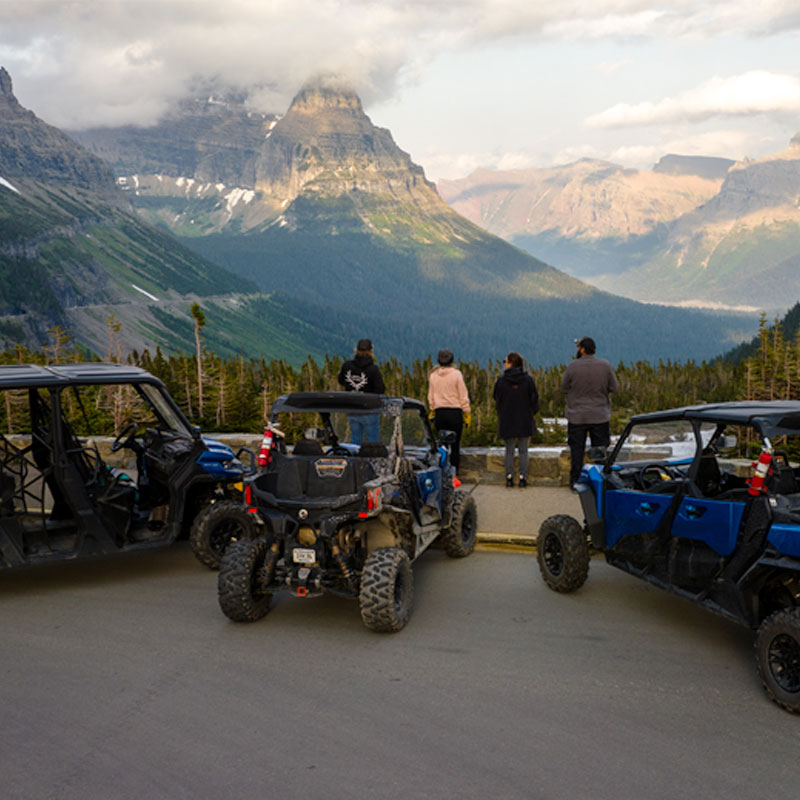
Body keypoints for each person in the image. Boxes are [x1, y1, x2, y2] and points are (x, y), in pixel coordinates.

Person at [561, 336, 619, 489]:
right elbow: (614, 387)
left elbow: (564, 388)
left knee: (577, 451)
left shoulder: (572, 366)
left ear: (582, 349)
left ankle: (576, 481)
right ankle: (602, 482)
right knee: (599, 451)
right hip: (599, 415)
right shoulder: (605, 366)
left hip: (576, 416)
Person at [493, 352, 539, 488]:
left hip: (507, 419)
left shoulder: (501, 381)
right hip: (525, 419)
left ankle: (509, 477)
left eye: (505, 361)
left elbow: (496, 398)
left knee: (509, 450)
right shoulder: (528, 380)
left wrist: (502, 412)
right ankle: (523, 477)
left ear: (510, 363)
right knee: (523, 450)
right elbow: (534, 400)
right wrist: (531, 412)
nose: (504, 364)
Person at [428, 349, 471, 474]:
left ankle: (442, 473)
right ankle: (454, 474)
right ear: (451, 360)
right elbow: (463, 395)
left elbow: (430, 396)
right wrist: (466, 411)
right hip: (454, 413)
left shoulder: (433, 375)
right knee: (455, 446)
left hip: (439, 413)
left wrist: (432, 409)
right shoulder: (456, 374)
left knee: (442, 446)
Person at [337, 338, 385, 445]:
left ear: (356, 350)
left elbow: (341, 380)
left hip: (352, 409)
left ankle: (356, 460)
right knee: (372, 441)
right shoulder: (373, 369)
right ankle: (371, 459)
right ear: (371, 351)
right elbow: (380, 389)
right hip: (369, 409)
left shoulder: (347, 366)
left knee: (355, 441)